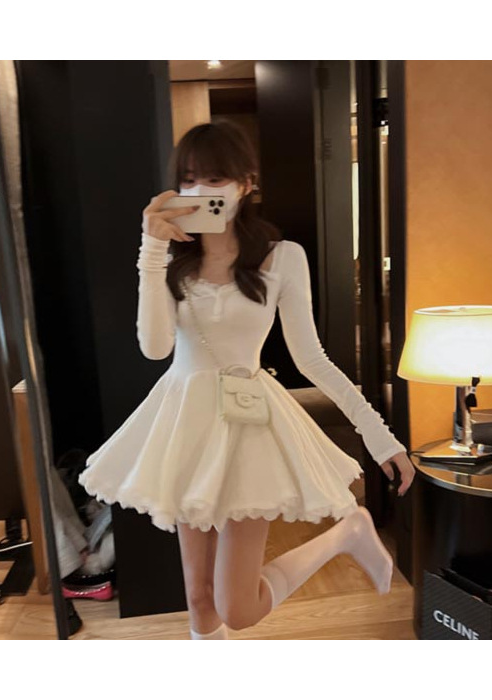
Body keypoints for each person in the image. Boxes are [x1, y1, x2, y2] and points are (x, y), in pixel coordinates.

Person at [78, 120, 415, 640]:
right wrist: (150, 250)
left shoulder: (283, 257)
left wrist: (380, 436)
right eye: (189, 179)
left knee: (236, 609)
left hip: (249, 425)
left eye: (216, 178)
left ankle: (346, 533)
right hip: (185, 422)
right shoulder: (169, 259)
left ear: (246, 184)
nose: (201, 191)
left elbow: (313, 359)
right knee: (198, 598)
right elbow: (155, 348)